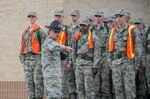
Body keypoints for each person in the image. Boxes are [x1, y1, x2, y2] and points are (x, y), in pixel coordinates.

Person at [108, 10, 142, 99]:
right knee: (118, 90)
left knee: (129, 90)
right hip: (115, 64)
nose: (118, 18)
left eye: (121, 16)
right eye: (117, 17)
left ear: (125, 18)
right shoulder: (113, 31)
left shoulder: (133, 30)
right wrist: (110, 63)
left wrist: (136, 64)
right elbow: (109, 49)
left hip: (128, 63)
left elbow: (138, 48)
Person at [70, 18, 101, 99]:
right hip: (78, 65)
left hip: (88, 65)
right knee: (80, 88)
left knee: (89, 88)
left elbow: (97, 53)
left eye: (84, 25)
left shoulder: (94, 38)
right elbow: (73, 51)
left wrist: (95, 66)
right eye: (81, 25)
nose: (82, 27)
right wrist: (74, 64)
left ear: (88, 26)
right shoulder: (76, 37)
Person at [42, 20, 73, 99]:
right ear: (50, 31)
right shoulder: (49, 41)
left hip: (55, 75)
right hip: (52, 75)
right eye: (55, 31)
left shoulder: (52, 42)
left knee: (56, 96)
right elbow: (54, 46)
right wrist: (65, 47)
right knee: (54, 96)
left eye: (59, 32)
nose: (57, 34)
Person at [19, 12, 47, 99]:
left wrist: (43, 61)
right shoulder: (25, 32)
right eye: (29, 17)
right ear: (27, 18)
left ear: (36, 18)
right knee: (29, 82)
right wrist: (22, 58)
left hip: (37, 59)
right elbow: (22, 45)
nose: (31, 19)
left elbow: (45, 47)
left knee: (38, 81)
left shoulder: (40, 31)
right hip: (27, 60)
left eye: (33, 17)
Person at [90, 11, 111, 99]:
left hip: (105, 56)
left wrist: (110, 60)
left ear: (103, 18)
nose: (98, 18)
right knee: (95, 80)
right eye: (96, 16)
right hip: (95, 57)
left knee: (105, 80)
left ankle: (105, 96)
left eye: (99, 16)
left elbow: (111, 43)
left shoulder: (108, 28)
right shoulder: (91, 29)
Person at [54, 9, 70, 98]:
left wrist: (69, 61)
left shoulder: (66, 29)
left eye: (59, 16)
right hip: (54, 59)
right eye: (56, 16)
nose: (57, 17)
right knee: (54, 82)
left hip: (63, 59)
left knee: (63, 83)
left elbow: (71, 45)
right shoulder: (51, 29)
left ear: (63, 17)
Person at [67, 9, 80, 99]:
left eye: (75, 16)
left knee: (79, 80)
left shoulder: (81, 28)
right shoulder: (67, 28)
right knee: (70, 79)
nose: (73, 17)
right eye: (72, 16)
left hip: (78, 57)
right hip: (69, 56)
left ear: (78, 17)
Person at [134, 18, 147, 99]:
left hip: (143, 61)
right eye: (136, 24)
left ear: (143, 25)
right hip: (135, 61)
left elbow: (144, 48)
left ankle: (142, 96)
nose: (137, 25)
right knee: (134, 80)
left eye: (139, 24)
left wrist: (144, 61)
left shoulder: (145, 34)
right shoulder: (134, 34)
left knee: (142, 80)